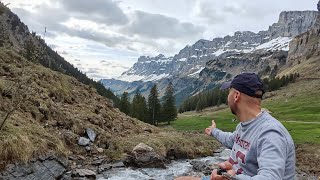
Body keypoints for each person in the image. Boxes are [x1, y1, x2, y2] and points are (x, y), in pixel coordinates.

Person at [176, 73, 295, 180]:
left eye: (229, 92)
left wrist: (231, 177)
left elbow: (270, 177)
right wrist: (213, 131)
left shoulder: (270, 133)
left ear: (236, 96)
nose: (227, 98)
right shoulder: (243, 126)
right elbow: (231, 140)